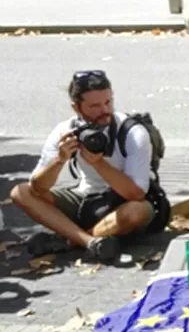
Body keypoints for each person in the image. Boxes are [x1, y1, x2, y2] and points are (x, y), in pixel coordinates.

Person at [11, 71, 170, 263]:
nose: (105, 110)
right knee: (20, 192)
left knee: (136, 211)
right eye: (95, 106)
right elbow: (38, 187)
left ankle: (69, 241)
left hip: (122, 205)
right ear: (76, 107)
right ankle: (90, 241)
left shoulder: (133, 132)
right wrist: (59, 160)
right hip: (87, 199)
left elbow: (136, 194)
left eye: (108, 102)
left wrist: (99, 163)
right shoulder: (66, 131)